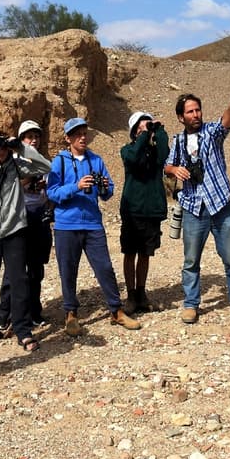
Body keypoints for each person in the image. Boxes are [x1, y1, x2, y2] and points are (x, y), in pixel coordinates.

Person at [164, 93, 230, 324]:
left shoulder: (211, 133)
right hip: (193, 207)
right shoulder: (178, 141)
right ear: (180, 117)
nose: (195, 115)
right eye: (190, 112)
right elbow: (166, 166)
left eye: (197, 110)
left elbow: (226, 123)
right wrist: (174, 170)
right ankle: (191, 303)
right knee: (191, 260)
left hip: (219, 203)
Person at [47, 117, 140, 336]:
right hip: (66, 225)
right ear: (68, 138)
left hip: (92, 224)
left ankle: (115, 310)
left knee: (105, 268)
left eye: (84, 133)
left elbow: (108, 193)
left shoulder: (96, 160)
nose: (82, 137)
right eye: (77, 134)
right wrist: (76, 186)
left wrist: (106, 187)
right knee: (68, 271)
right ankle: (71, 314)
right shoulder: (59, 162)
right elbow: (51, 193)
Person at [0, 129, 52, 352]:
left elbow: (46, 167)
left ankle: (23, 330)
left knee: (19, 281)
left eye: (2, 146)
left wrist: (20, 147)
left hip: (14, 231)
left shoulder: (17, 166)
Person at [0, 120, 53, 329]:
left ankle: (33, 311)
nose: (34, 140)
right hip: (17, 217)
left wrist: (44, 187)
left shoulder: (42, 161)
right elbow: (5, 188)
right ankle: (5, 314)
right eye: (29, 137)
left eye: (36, 136)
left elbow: (49, 189)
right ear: (20, 140)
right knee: (14, 268)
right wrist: (28, 180)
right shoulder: (10, 162)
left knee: (36, 268)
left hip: (38, 215)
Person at [120, 111, 170, 314]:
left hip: (151, 210)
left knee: (145, 253)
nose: (146, 130)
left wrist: (160, 130)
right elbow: (132, 158)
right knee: (129, 252)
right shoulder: (128, 150)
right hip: (133, 210)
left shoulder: (154, 153)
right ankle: (131, 294)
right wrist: (142, 135)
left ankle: (141, 292)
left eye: (147, 126)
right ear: (134, 132)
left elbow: (165, 152)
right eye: (141, 127)